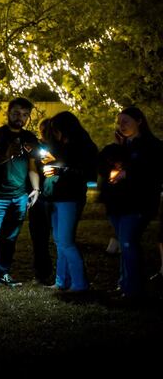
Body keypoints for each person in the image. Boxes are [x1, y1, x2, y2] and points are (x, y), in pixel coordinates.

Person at [0, 98, 41, 286]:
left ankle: (2, 274)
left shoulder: (30, 138)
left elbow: (32, 164)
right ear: (8, 113)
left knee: (10, 238)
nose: (21, 117)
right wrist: (8, 154)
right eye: (16, 113)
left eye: (25, 114)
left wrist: (35, 188)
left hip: (19, 196)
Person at [97, 107, 163, 300]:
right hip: (117, 203)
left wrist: (128, 173)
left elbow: (154, 172)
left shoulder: (153, 145)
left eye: (126, 121)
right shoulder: (123, 145)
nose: (121, 125)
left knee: (128, 242)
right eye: (119, 122)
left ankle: (133, 290)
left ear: (139, 121)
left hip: (138, 204)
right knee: (124, 244)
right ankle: (124, 284)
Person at [41, 111, 98, 294]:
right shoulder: (60, 145)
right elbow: (57, 163)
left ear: (66, 128)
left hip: (70, 198)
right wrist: (50, 163)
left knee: (65, 241)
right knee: (59, 241)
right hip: (56, 197)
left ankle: (80, 283)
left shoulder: (82, 146)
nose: (55, 133)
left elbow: (87, 172)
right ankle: (61, 281)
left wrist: (60, 170)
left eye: (56, 129)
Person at [28, 118, 54, 285]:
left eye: (49, 131)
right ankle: (42, 272)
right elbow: (32, 165)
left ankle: (59, 273)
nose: (45, 134)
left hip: (57, 195)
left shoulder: (61, 147)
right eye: (43, 131)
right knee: (39, 236)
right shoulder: (36, 146)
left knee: (59, 237)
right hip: (39, 195)